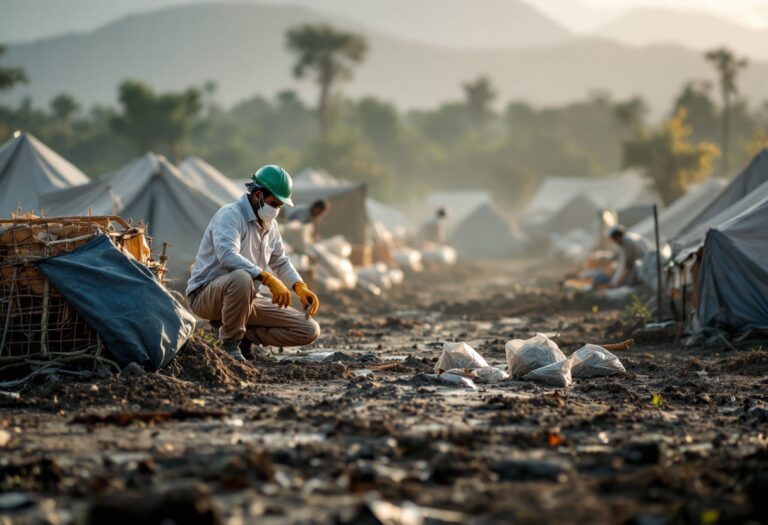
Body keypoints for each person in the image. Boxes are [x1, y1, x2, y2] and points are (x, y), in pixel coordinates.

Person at [186, 165, 321, 361]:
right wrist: (266, 278)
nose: (276, 210)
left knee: (309, 329)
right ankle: (229, 344)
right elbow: (227, 255)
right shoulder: (230, 215)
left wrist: (299, 286)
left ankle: (244, 336)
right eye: (273, 203)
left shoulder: (270, 225)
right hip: (206, 296)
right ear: (258, 195)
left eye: (280, 206)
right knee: (242, 277)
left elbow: (280, 260)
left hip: (247, 297)